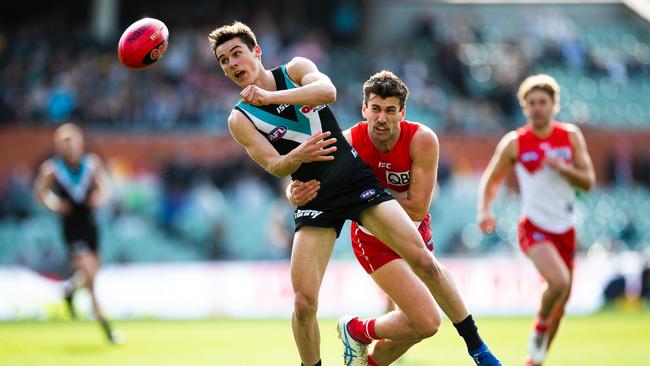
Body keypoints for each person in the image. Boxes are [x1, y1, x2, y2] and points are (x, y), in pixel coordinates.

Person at [208, 22, 498, 366]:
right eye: (224, 61)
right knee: (303, 303)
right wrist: (296, 165)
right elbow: (274, 164)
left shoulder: (296, 69)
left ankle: (477, 348)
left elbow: (327, 92)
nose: (232, 64)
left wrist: (270, 96)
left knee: (424, 261)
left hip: (355, 182)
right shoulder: (239, 119)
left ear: (256, 52)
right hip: (314, 196)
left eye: (237, 53)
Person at [288, 70, 500, 365]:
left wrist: (364, 195)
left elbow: (416, 209)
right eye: (375, 109)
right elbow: (307, 179)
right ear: (364, 110)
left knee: (420, 326)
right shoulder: (348, 143)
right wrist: (292, 192)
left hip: (415, 231)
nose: (381, 118)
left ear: (403, 112)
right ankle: (477, 350)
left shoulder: (422, 139)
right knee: (426, 316)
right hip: (372, 240)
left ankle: (358, 333)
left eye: (390, 110)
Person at [477, 74, 595, 366]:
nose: (538, 107)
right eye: (532, 103)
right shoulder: (515, 143)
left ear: (554, 105)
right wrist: (484, 210)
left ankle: (535, 360)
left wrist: (563, 168)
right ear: (524, 107)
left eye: (543, 102)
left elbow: (589, 181)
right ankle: (540, 325)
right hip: (533, 227)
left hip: (565, 228)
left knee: (562, 302)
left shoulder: (570, 136)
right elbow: (491, 179)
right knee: (558, 281)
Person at [34, 123, 122, 344]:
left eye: (71, 141)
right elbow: (40, 193)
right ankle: (106, 328)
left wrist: (99, 197)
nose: (68, 146)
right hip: (72, 228)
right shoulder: (53, 169)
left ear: (80, 141)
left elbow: (106, 186)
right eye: (64, 143)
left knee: (91, 272)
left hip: (90, 226)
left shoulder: (91, 164)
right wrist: (55, 205)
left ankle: (70, 290)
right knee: (91, 276)